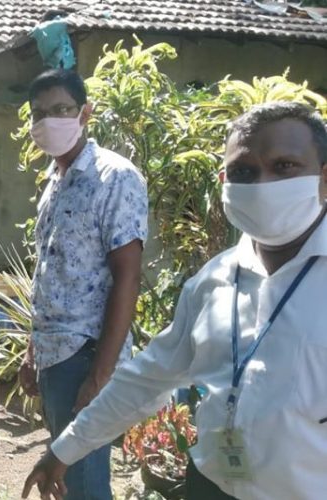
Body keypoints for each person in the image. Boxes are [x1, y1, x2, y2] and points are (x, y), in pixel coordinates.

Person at [22, 101, 327, 500]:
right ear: (224, 182)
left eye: (284, 166)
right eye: (243, 172)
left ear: (324, 177)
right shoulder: (212, 283)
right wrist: (63, 450)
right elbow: (147, 380)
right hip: (211, 487)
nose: (262, 184)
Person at [21, 69, 148, 500]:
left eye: (61, 109)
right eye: (39, 113)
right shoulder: (54, 183)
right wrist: (33, 350)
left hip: (86, 356)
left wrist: (99, 374)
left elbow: (128, 276)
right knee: (70, 478)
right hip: (55, 354)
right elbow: (50, 271)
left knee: (85, 483)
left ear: (85, 113)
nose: (49, 121)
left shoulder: (115, 177)